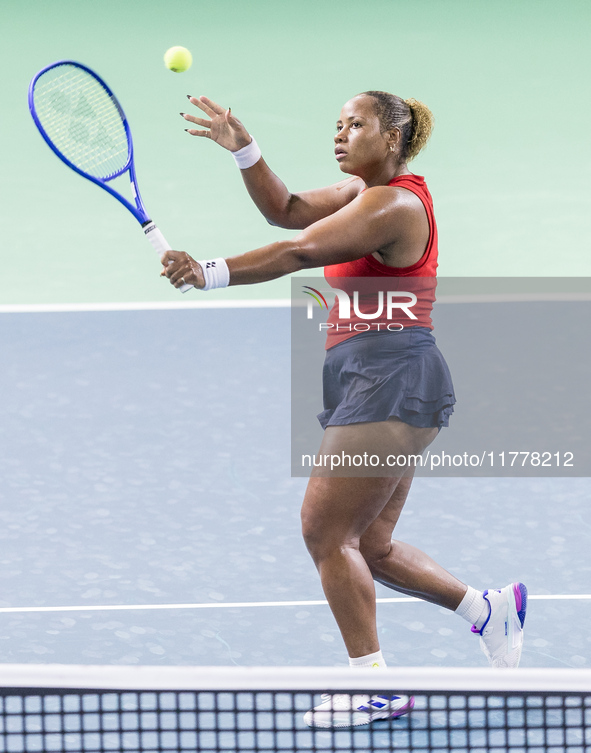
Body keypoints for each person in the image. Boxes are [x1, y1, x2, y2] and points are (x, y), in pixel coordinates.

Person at [162, 91, 528, 729]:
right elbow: (287, 210)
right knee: (373, 544)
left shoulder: (394, 203)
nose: (340, 134)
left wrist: (208, 271)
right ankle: (486, 610)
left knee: (325, 532)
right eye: (336, 125)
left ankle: (372, 686)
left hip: (390, 377)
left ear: (391, 140)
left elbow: (299, 252)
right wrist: (243, 149)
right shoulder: (362, 194)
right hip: (378, 377)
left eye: (355, 125)